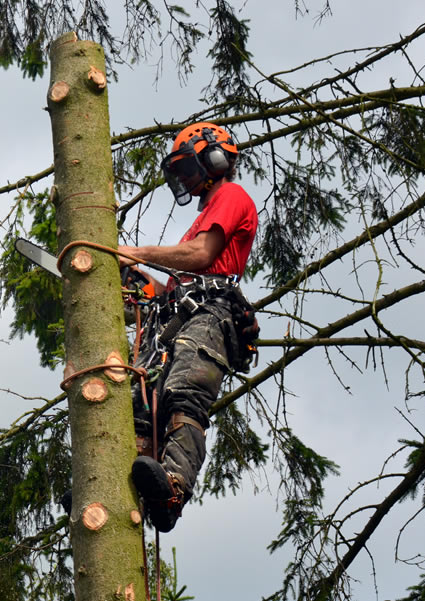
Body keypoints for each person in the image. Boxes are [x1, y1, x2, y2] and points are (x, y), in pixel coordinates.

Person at [117, 122, 258, 532]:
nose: (186, 180)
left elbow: (201, 256)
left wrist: (137, 251)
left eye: (189, 168)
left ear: (214, 159)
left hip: (210, 317)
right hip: (176, 319)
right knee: (141, 405)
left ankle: (173, 489)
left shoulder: (231, 196)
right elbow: (179, 283)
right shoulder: (201, 218)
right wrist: (136, 280)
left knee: (183, 397)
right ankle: (115, 489)